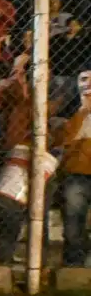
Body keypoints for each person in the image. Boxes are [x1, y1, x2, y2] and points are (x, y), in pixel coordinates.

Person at [60, 68, 91, 266]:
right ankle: (73, 264)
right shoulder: (72, 116)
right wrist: (83, 112)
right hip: (77, 175)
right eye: (83, 79)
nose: (87, 85)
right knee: (73, 221)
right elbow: (65, 144)